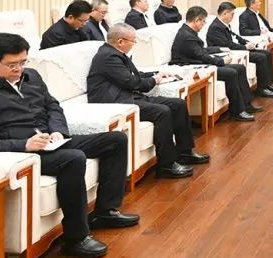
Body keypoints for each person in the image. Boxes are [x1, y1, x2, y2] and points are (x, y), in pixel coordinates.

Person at [0, 33, 138, 258]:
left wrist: (58, 131)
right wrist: (23, 145)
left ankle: (105, 211)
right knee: (73, 158)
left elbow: (53, 106)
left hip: (50, 142)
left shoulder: (32, 76)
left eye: (23, 62)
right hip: (20, 155)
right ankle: (76, 238)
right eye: (12, 65)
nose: (19, 69)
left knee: (115, 140)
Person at [87, 23, 209, 179]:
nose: (134, 44)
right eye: (133, 41)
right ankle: (166, 165)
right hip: (118, 102)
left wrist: (157, 73)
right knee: (162, 112)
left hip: (129, 96)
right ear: (120, 41)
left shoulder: (114, 53)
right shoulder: (107, 57)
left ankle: (185, 152)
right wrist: (154, 80)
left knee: (178, 104)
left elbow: (133, 75)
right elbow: (132, 82)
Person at [170, 6, 260, 122]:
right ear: (197, 20)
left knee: (240, 68)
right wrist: (221, 61)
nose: (204, 24)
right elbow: (201, 55)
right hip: (191, 66)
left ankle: (246, 105)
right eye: (203, 21)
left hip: (197, 62)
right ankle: (237, 111)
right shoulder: (187, 35)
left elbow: (200, 50)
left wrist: (219, 49)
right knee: (231, 73)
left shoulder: (188, 32)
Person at [206, 2, 273, 98]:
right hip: (229, 52)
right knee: (260, 57)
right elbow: (227, 44)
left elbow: (235, 36)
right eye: (232, 14)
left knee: (267, 54)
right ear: (225, 13)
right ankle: (262, 89)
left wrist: (247, 42)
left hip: (236, 49)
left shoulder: (223, 24)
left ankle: (267, 84)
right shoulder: (216, 27)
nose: (233, 17)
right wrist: (245, 47)